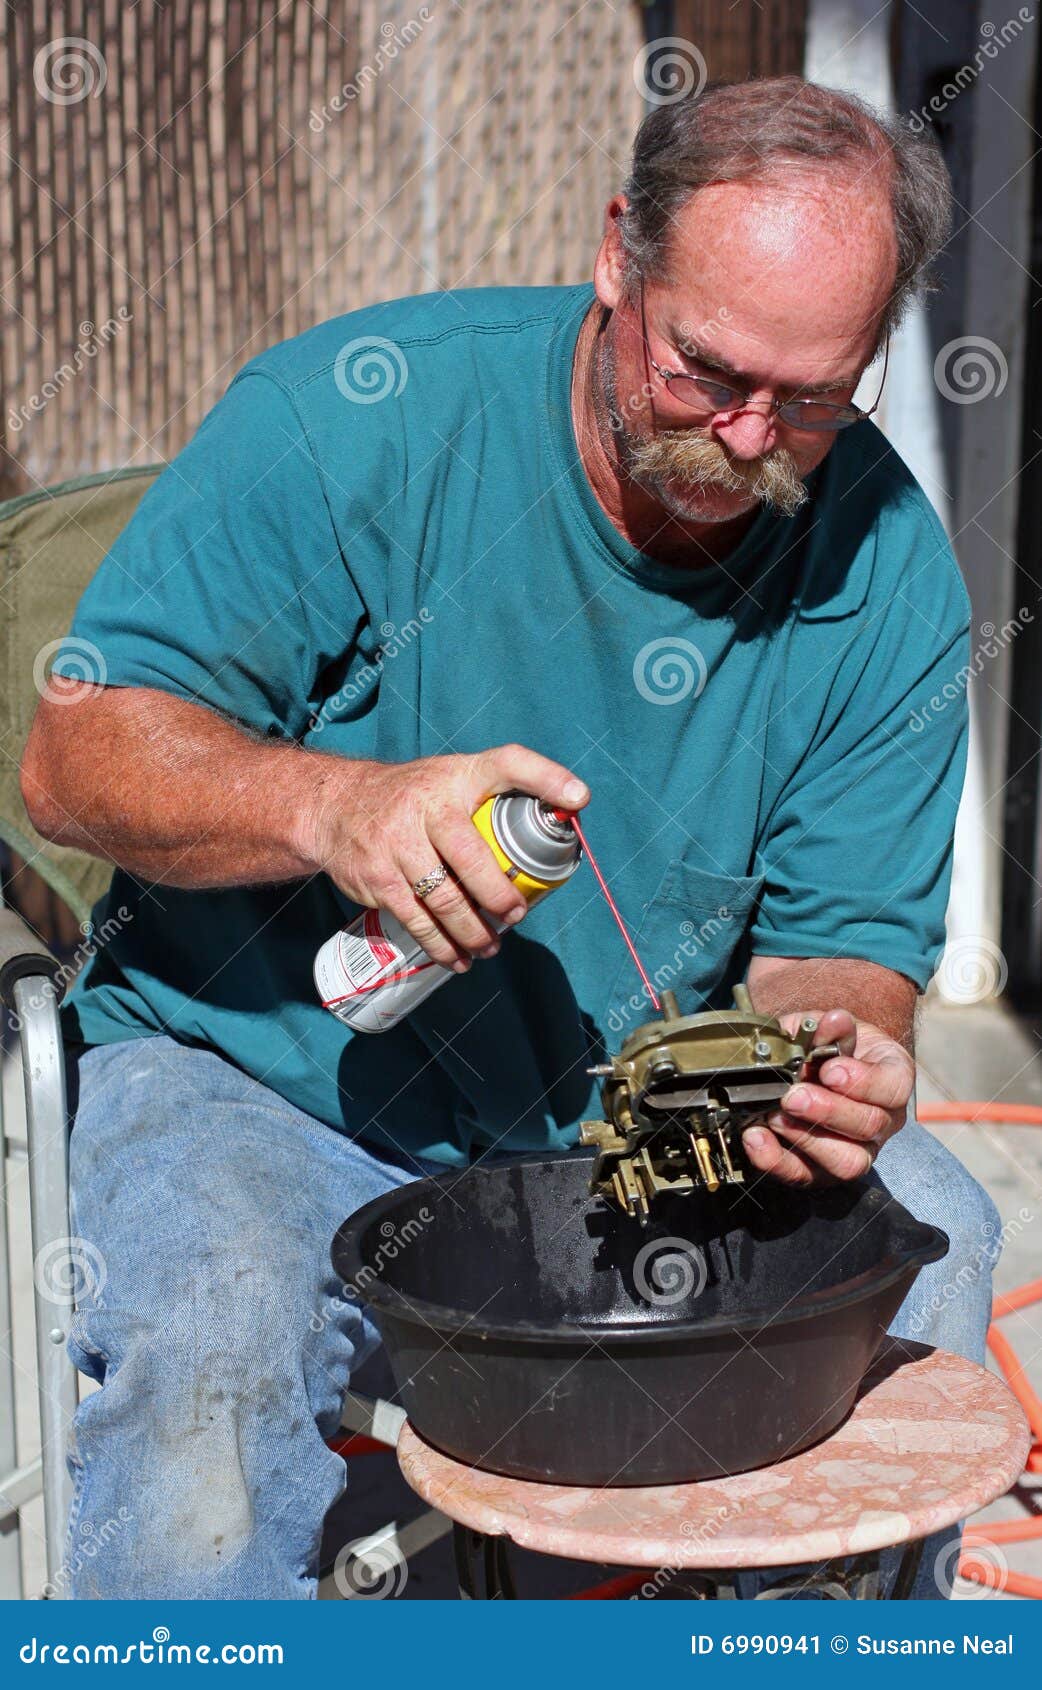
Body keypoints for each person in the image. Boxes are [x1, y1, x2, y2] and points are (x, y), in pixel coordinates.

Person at [22, 77, 996, 1599]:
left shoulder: (885, 569)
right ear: (619, 253)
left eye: (810, 397)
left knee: (934, 1221)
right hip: (249, 1078)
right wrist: (333, 805)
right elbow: (73, 759)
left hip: (620, 1133)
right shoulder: (354, 425)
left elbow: (844, 953)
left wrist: (832, 1057)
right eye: (704, 371)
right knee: (209, 1324)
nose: (748, 440)